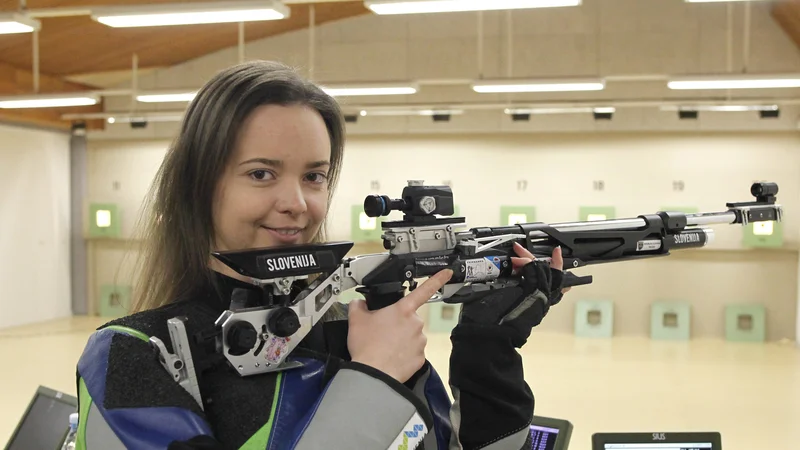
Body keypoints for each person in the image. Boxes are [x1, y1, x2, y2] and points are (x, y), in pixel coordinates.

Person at [73, 60, 568, 450]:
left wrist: (487, 353)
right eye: (261, 173)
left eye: (314, 176)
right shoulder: (136, 356)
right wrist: (373, 379)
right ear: (199, 188)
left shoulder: (341, 328)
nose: (298, 203)